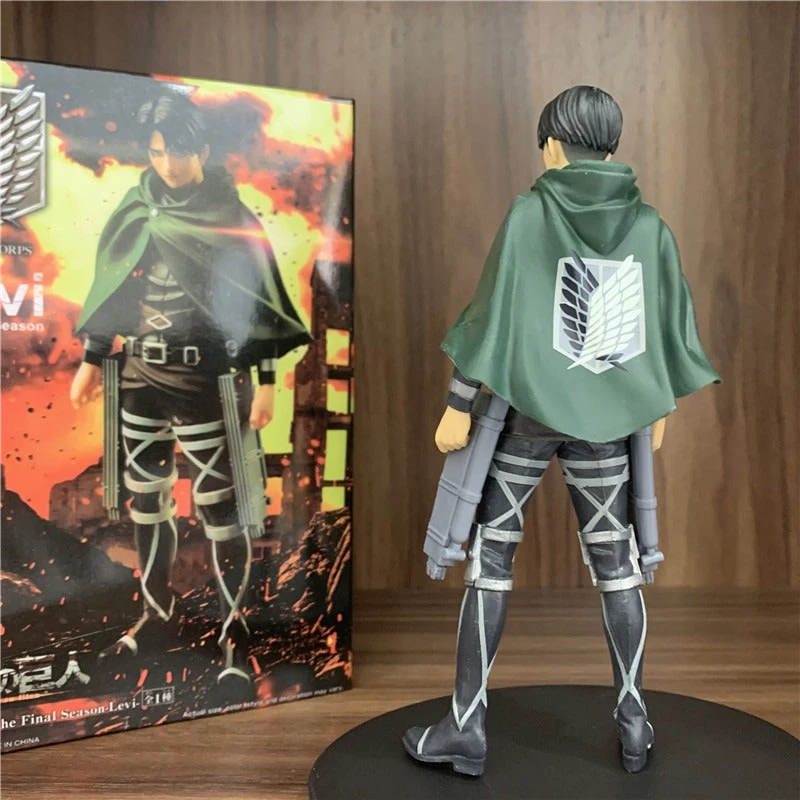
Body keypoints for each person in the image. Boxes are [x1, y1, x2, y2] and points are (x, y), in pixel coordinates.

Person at [404, 85, 719, 775]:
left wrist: (459, 402)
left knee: (491, 561)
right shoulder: (650, 226)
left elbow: (492, 313)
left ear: (552, 145)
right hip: (607, 423)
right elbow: (667, 322)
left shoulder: (530, 213)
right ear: (608, 146)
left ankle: (466, 727)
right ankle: (634, 722)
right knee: (617, 565)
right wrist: (658, 404)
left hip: (527, 417)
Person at [70, 92, 312, 691]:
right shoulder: (138, 205)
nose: (167, 164)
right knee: (146, 497)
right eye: (156, 152)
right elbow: (116, 286)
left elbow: (254, 304)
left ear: (201, 150)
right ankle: (157, 616)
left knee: (221, 506)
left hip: (203, 376)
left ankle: (234, 629)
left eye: (177, 152)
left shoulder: (230, 217)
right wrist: (93, 359)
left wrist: (265, 382)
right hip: (139, 375)